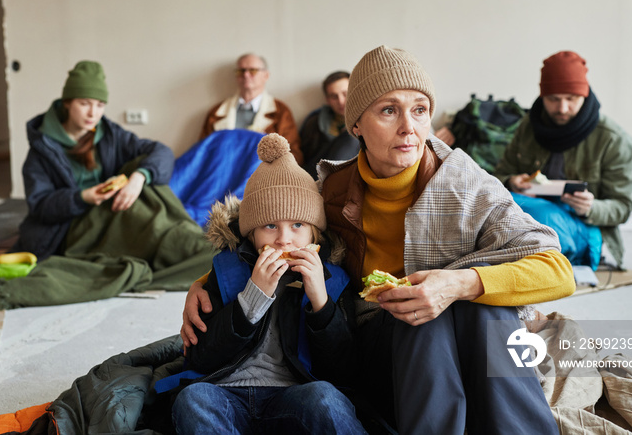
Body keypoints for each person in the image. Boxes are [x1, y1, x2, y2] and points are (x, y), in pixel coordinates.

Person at [182, 46, 576, 434]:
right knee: (420, 314)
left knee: (485, 307)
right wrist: (205, 282)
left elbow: (559, 271)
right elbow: (271, 226)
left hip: (460, 325)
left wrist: (461, 283)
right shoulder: (331, 191)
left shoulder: (465, 183)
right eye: (389, 110)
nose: (410, 127)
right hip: (380, 343)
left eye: (420, 110)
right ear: (356, 125)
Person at [171, 133, 366, 434]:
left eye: (298, 225)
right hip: (227, 392)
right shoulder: (225, 270)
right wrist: (251, 298)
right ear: (251, 234)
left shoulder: (334, 279)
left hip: (293, 394)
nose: (284, 238)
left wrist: (321, 303)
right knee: (192, 399)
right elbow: (201, 356)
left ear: (315, 233)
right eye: (270, 226)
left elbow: (344, 370)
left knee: (327, 398)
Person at [14, 60, 175, 261]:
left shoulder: (109, 134)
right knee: (159, 236)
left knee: (146, 173)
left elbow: (162, 152)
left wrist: (139, 178)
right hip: (69, 229)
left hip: (112, 213)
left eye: (100, 105)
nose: (93, 113)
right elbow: (40, 206)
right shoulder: (41, 150)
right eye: (84, 103)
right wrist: (82, 197)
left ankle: (185, 242)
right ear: (67, 102)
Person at [494, 51, 632, 268]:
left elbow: (623, 207)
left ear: (585, 95)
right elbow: (498, 176)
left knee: (539, 218)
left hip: (582, 223)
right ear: (542, 97)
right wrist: (511, 181)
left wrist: (590, 207)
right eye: (553, 99)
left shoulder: (613, 140)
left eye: (571, 99)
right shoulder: (529, 126)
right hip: (528, 211)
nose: (562, 108)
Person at [199, 53, 303, 164]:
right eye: (241, 71)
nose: (246, 75)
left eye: (252, 71)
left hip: (264, 178)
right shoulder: (216, 112)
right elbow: (201, 153)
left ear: (266, 75)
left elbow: (294, 156)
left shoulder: (280, 111)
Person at [299, 71, 360, 178]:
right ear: (327, 100)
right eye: (334, 96)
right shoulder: (314, 123)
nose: (341, 101)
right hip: (316, 176)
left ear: (355, 92)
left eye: (345, 94)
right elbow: (306, 161)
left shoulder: (370, 120)